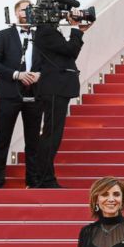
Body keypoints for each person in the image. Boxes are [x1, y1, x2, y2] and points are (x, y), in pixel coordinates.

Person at [0, 0, 41, 189]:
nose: (28, 13)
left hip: (35, 93)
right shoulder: (3, 35)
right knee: (3, 138)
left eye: (31, 10)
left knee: (33, 140)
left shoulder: (41, 35)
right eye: (24, 9)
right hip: (10, 93)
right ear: (16, 12)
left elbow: (49, 63)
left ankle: (33, 182)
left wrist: (39, 74)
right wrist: (17, 75)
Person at [30, 12, 87, 189]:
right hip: (54, 88)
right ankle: (44, 179)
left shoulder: (47, 31)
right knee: (52, 133)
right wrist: (76, 29)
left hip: (57, 88)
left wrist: (79, 31)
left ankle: (44, 177)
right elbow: (71, 50)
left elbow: (66, 54)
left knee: (53, 132)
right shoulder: (46, 31)